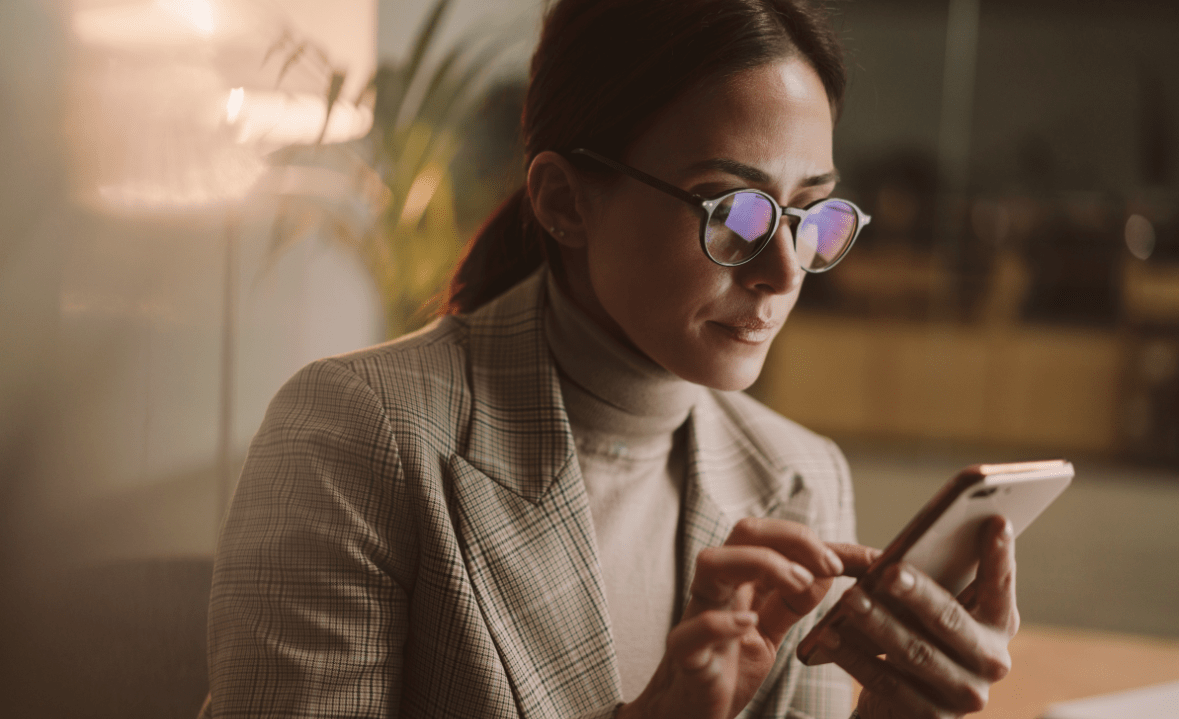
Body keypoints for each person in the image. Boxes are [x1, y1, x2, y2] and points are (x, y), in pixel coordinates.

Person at [203, 0, 1020, 717]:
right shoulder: (356, 433)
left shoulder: (801, 474)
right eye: (733, 211)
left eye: (810, 212)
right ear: (563, 201)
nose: (783, 270)